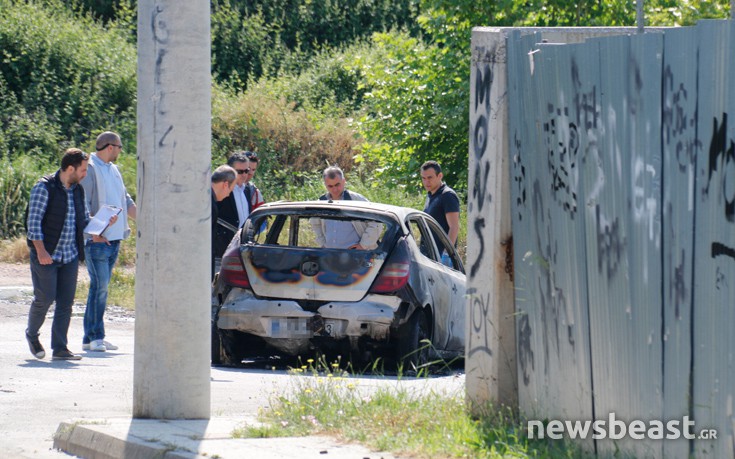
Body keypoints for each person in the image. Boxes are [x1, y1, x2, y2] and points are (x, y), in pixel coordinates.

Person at [25, 148, 91, 360]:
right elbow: (33, 224)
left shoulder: (78, 190)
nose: (85, 174)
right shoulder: (44, 187)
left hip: (69, 254)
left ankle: (60, 348)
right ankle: (32, 335)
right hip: (47, 254)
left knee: (66, 302)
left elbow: (84, 219)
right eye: (82, 170)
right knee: (45, 298)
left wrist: (100, 228)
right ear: (70, 168)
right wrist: (41, 250)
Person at [80, 131, 137, 352]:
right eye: (120, 147)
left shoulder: (114, 170)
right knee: (100, 287)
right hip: (97, 240)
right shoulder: (90, 168)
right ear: (110, 147)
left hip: (114, 239)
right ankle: (96, 336)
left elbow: (126, 199)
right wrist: (92, 232)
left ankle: (90, 337)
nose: (121, 151)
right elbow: (83, 203)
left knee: (100, 288)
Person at [311, 165, 381, 250]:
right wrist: (322, 244)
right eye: (330, 186)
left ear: (344, 181)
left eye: (337, 185)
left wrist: (363, 245)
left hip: (354, 254)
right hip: (330, 255)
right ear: (325, 185)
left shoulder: (356, 200)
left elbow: (376, 222)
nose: (335, 189)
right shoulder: (321, 202)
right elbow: (315, 224)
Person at [420, 160, 460, 264]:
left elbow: (454, 227)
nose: (426, 182)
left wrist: (447, 255)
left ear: (440, 176)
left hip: (441, 257)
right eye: (423, 178)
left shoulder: (447, 195)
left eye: (430, 177)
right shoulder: (430, 194)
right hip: (429, 255)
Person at [216, 152, 251, 252]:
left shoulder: (247, 190)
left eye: (246, 170)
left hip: (242, 247)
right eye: (240, 171)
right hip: (223, 247)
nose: (244, 175)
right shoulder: (222, 189)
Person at [211, 165, 237, 280]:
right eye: (231, 190)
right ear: (225, 184)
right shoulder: (209, 205)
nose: (228, 195)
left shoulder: (206, 198)